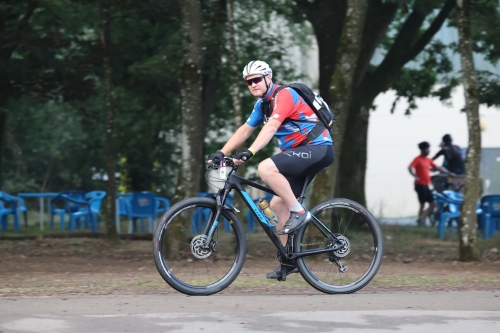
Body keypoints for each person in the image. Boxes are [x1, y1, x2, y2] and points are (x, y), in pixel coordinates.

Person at [207, 60, 334, 279]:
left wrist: (250, 152)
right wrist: (222, 152)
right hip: (299, 155)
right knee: (277, 205)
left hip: (317, 148)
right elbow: (246, 129)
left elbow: (271, 127)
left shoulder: (284, 95)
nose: (253, 84)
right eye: (248, 82)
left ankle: (301, 213)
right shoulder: (262, 105)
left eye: (256, 79)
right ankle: (290, 259)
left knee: (265, 167)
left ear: (268, 78)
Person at [408, 141, 455, 226]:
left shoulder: (428, 160)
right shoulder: (417, 159)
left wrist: (449, 173)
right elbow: (410, 167)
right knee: (422, 204)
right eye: (427, 149)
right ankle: (421, 222)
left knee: (432, 204)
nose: (428, 151)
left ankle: (421, 219)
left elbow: (438, 167)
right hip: (419, 185)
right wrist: (414, 175)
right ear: (422, 150)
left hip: (426, 185)